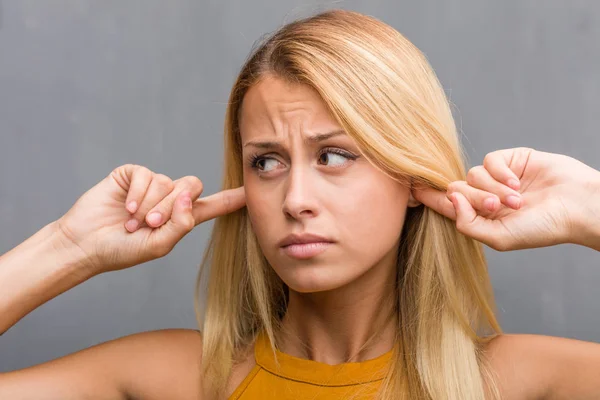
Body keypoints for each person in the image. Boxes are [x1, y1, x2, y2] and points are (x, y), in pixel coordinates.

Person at [1, 8, 599, 400]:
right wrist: (68, 247)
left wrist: (589, 207)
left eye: (334, 156)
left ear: (411, 173)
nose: (295, 199)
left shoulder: (515, 382)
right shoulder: (182, 379)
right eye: (266, 162)